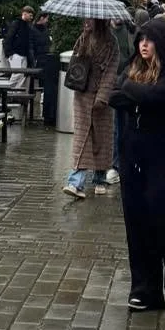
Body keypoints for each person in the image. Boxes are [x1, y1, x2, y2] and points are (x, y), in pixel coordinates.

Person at [109, 21, 165, 312]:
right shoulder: (131, 66)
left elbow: (159, 96)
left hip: (164, 157)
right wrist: (140, 96)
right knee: (137, 223)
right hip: (133, 157)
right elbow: (113, 97)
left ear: (159, 42)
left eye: (149, 40)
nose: (143, 44)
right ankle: (145, 290)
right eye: (140, 40)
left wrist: (132, 91)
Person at [63, 19, 119, 199]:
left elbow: (111, 72)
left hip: (101, 97)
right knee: (82, 138)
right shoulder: (83, 37)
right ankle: (75, 182)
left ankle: (100, 178)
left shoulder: (111, 42)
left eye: (90, 19)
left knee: (101, 138)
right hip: (83, 94)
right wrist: (83, 42)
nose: (86, 21)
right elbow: (76, 60)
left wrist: (102, 96)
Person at [108, 16, 133, 184]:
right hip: (109, 84)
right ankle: (114, 163)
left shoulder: (131, 32)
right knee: (114, 127)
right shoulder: (106, 32)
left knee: (122, 126)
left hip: (127, 84)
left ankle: (120, 163)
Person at [4, 4, 37, 90]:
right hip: (15, 54)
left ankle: (16, 93)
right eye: (30, 15)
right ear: (25, 13)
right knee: (17, 74)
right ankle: (7, 91)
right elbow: (9, 38)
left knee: (22, 75)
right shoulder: (16, 24)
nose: (32, 17)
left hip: (24, 55)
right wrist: (9, 53)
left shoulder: (28, 26)